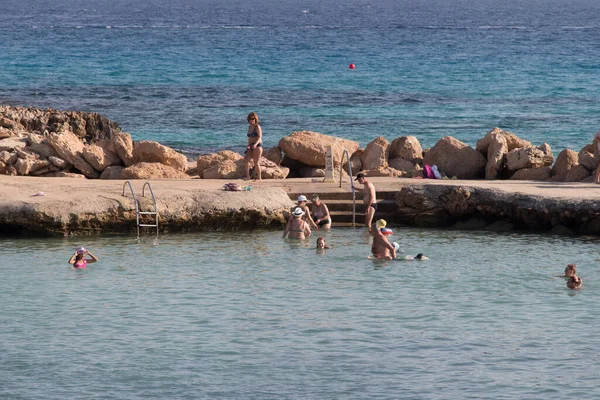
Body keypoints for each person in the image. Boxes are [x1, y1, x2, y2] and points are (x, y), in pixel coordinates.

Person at [243, 112, 263, 181]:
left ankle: (259, 178)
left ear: (255, 119)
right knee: (245, 160)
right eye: (250, 119)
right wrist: (248, 145)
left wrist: (255, 144)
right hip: (251, 146)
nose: (251, 120)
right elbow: (249, 138)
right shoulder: (250, 127)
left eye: (252, 119)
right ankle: (248, 176)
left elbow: (260, 136)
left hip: (257, 146)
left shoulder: (257, 126)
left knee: (256, 163)